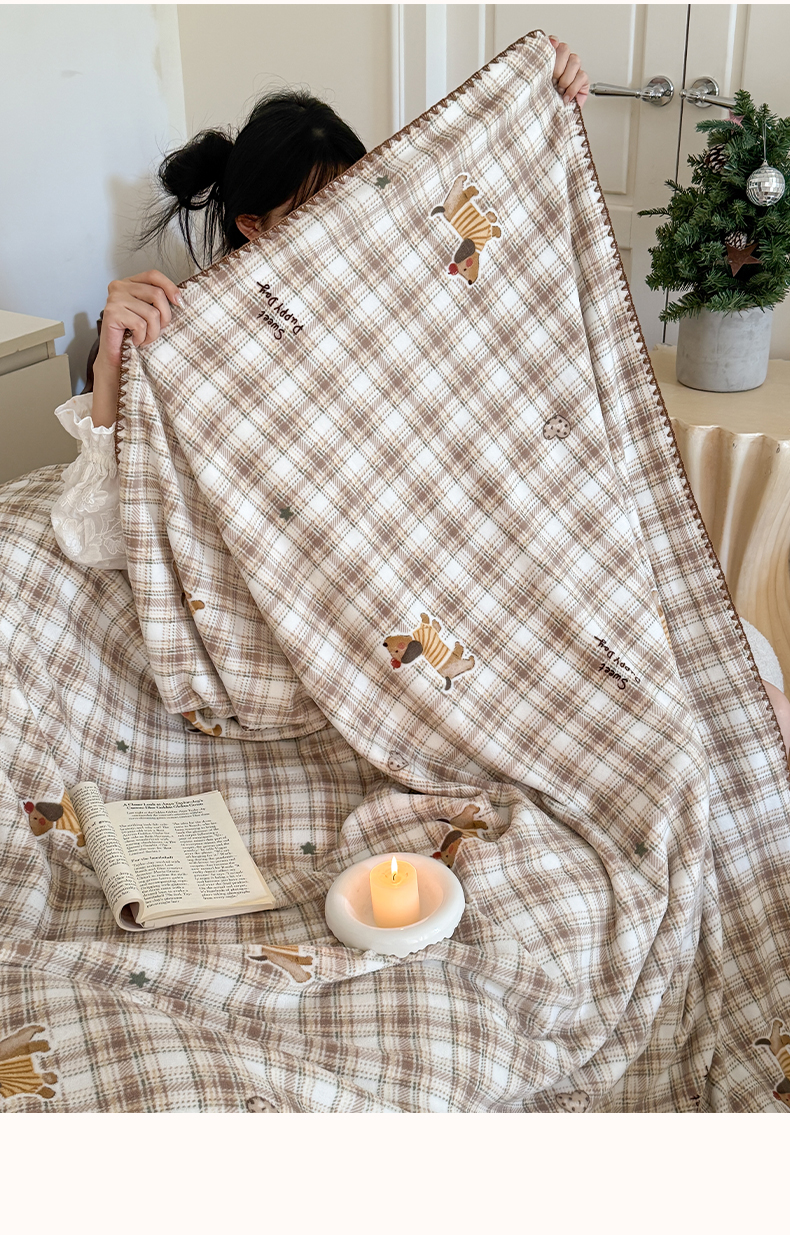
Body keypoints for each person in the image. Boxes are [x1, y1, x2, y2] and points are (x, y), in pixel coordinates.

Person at [46, 42, 790, 757]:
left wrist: (543, 99)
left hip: (481, 569)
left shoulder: (402, 300)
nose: (339, 237)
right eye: (311, 216)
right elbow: (100, 534)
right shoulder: (195, 354)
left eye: (349, 210)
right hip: (353, 623)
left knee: (735, 695)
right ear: (253, 226)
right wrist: (113, 361)